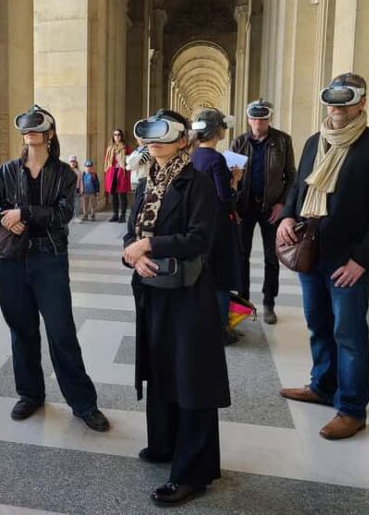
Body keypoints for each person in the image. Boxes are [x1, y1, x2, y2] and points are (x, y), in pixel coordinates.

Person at [277, 73, 369, 440]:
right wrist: (287, 214)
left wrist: (362, 259)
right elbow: (298, 187)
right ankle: (322, 386)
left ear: (361, 102)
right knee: (318, 324)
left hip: (349, 260)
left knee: (347, 333)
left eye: (345, 100)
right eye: (331, 100)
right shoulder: (316, 142)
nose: (337, 107)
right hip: (312, 252)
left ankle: (351, 408)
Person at [122, 109, 230, 507]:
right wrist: (131, 256)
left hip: (188, 293)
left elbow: (200, 239)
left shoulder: (196, 181)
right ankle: (164, 444)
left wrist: (150, 246)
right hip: (153, 289)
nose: (154, 141)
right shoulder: (145, 181)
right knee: (161, 367)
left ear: (183, 138)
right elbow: (130, 233)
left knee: (191, 376)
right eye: (149, 134)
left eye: (163, 133)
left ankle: (192, 472)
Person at [0, 104, 110, 432]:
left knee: (62, 332)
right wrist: (3, 218)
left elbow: (64, 214)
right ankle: (30, 394)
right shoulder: (7, 171)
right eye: (25, 130)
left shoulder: (65, 174)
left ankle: (83, 404)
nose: (30, 134)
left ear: (50, 134)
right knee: (21, 330)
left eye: (37, 129)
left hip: (49, 259)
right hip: (13, 261)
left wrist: (24, 213)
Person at [230, 99, 296, 324]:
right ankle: (243, 301)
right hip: (244, 208)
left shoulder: (283, 141)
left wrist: (282, 205)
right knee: (241, 256)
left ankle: (269, 303)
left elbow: (291, 179)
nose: (258, 122)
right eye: (254, 117)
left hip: (271, 209)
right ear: (248, 119)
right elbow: (230, 179)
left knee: (271, 257)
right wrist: (232, 206)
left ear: (269, 119)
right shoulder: (239, 142)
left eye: (263, 117)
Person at [190, 108, 244, 345]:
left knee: (204, 274)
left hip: (200, 222)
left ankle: (203, 324)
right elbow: (224, 196)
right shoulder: (216, 158)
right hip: (220, 225)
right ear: (217, 131)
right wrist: (236, 180)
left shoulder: (193, 156)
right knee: (222, 277)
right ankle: (221, 328)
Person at [104, 129, 132, 222]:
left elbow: (130, 160)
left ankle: (123, 215)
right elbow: (107, 161)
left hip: (122, 172)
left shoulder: (126, 147)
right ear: (113, 136)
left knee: (122, 194)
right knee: (114, 194)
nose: (117, 136)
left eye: (119, 134)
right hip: (112, 172)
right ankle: (115, 214)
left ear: (121, 136)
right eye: (115, 135)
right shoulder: (110, 148)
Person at [67, 155, 83, 222]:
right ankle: (70, 217)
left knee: (77, 203)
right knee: (70, 203)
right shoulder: (66, 171)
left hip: (76, 189)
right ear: (69, 162)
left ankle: (76, 216)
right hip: (68, 190)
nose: (73, 163)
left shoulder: (78, 171)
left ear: (76, 163)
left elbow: (81, 181)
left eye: (74, 161)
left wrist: (82, 189)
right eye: (71, 161)